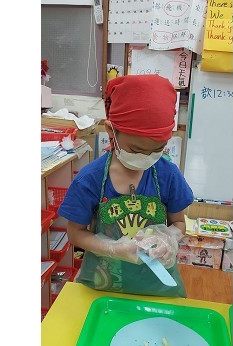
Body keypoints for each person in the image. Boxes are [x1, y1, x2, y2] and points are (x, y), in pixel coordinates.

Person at [57, 75, 194, 297]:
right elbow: (75, 234)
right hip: (103, 287)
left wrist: (168, 237)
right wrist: (113, 248)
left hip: (157, 288)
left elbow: (179, 222)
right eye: (137, 150)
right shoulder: (90, 180)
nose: (147, 157)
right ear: (111, 131)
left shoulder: (168, 175)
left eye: (157, 149)